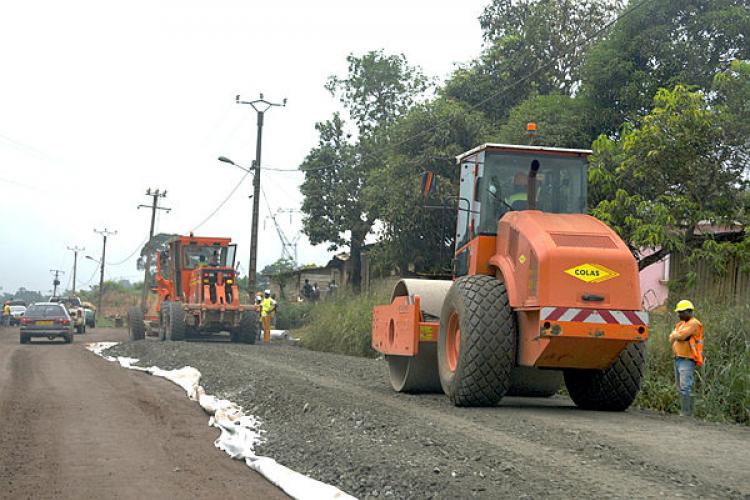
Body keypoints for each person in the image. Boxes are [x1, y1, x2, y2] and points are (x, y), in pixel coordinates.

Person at [669, 299, 704, 417]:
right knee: (680, 386)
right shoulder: (681, 324)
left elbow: (680, 335)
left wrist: (676, 334)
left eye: (681, 312)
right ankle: (684, 411)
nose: (679, 314)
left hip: (687, 359)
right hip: (678, 358)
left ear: (689, 311)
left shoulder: (694, 323)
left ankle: (687, 412)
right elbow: (671, 338)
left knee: (685, 386)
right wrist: (676, 335)